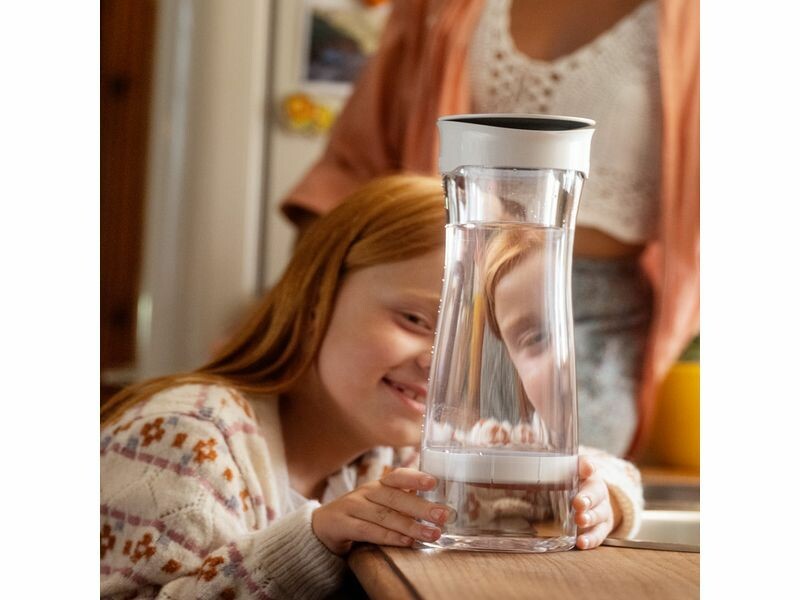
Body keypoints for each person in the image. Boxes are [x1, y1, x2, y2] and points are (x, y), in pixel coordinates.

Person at [101, 175, 644, 599]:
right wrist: (311, 542)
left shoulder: (397, 451)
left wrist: (601, 499)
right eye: (414, 319)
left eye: (477, 344)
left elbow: (597, 468)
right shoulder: (183, 439)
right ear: (315, 297)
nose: (440, 366)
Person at [281, 0, 700, 459]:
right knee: (390, 479)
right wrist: (299, 308)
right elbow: (354, 160)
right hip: (433, 291)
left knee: (555, 485)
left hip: (587, 320)